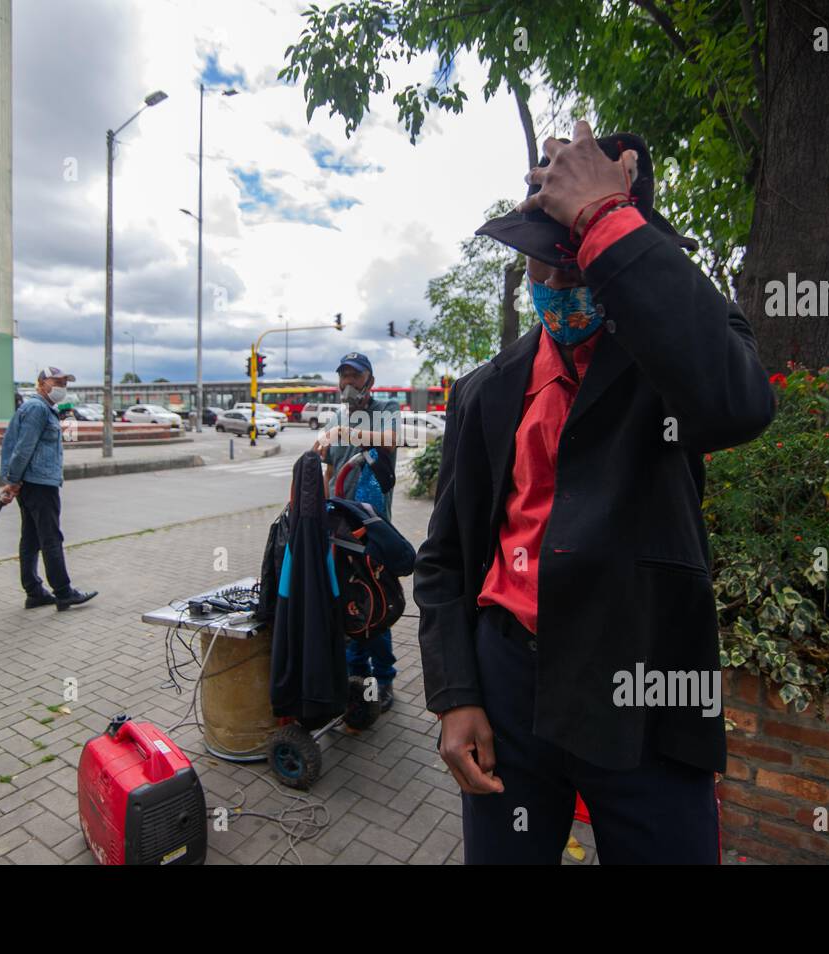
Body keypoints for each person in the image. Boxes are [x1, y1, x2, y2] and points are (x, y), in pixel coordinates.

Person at [414, 121, 776, 864]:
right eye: (542, 264)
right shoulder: (485, 391)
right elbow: (445, 558)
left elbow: (738, 405)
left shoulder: (674, 362)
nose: (554, 286)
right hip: (508, 685)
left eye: (576, 265)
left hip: (646, 686)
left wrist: (607, 216)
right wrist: (456, 695)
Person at [313, 352, 402, 711]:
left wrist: (346, 431)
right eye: (343, 376)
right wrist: (316, 514)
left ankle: (383, 680)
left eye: (355, 376)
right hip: (340, 528)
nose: (348, 383)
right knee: (347, 603)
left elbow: (393, 440)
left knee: (375, 603)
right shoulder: (336, 417)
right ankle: (355, 675)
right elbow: (330, 473)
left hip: (373, 528)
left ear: (369, 381)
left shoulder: (386, 408)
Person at [0, 366, 98, 611]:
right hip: (39, 483)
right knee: (51, 537)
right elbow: (23, 447)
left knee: (31, 538)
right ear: (42, 383)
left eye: (65, 382)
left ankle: (34, 592)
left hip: (35, 481)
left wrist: (15, 480)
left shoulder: (43, 408)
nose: (62, 387)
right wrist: (12, 481)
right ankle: (63, 592)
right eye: (58, 381)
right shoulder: (37, 409)